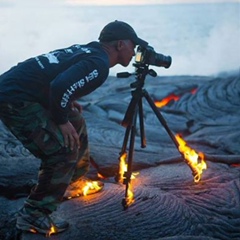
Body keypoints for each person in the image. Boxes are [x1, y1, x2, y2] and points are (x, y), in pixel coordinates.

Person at [0, 20, 148, 235]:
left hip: (21, 90)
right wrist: (60, 119)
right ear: (119, 44)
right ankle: (33, 215)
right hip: (14, 99)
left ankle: (73, 181)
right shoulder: (99, 64)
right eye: (132, 45)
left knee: (76, 119)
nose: (134, 51)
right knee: (62, 152)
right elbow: (59, 86)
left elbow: (55, 77)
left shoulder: (89, 50)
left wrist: (65, 105)